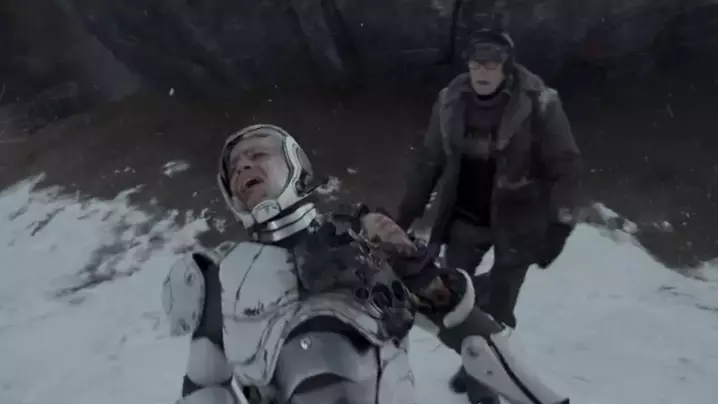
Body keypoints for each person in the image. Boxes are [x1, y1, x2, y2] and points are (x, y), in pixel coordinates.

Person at [161, 124, 570, 404]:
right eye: (234, 167)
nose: (244, 166)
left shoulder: (366, 237)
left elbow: (473, 338)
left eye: (257, 154)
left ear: (295, 165)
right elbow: (204, 388)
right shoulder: (218, 279)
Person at [394, 15, 582, 404]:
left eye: (491, 64)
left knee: (500, 311)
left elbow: (565, 165)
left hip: (518, 223)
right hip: (464, 220)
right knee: (454, 304)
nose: (482, 72)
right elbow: (429, 163)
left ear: (506, 66)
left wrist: (560, 225)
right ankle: (475, 366)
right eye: (476, 63)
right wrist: (402, 218)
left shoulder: (540, 101)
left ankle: (486, 384)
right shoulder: (450, 101)